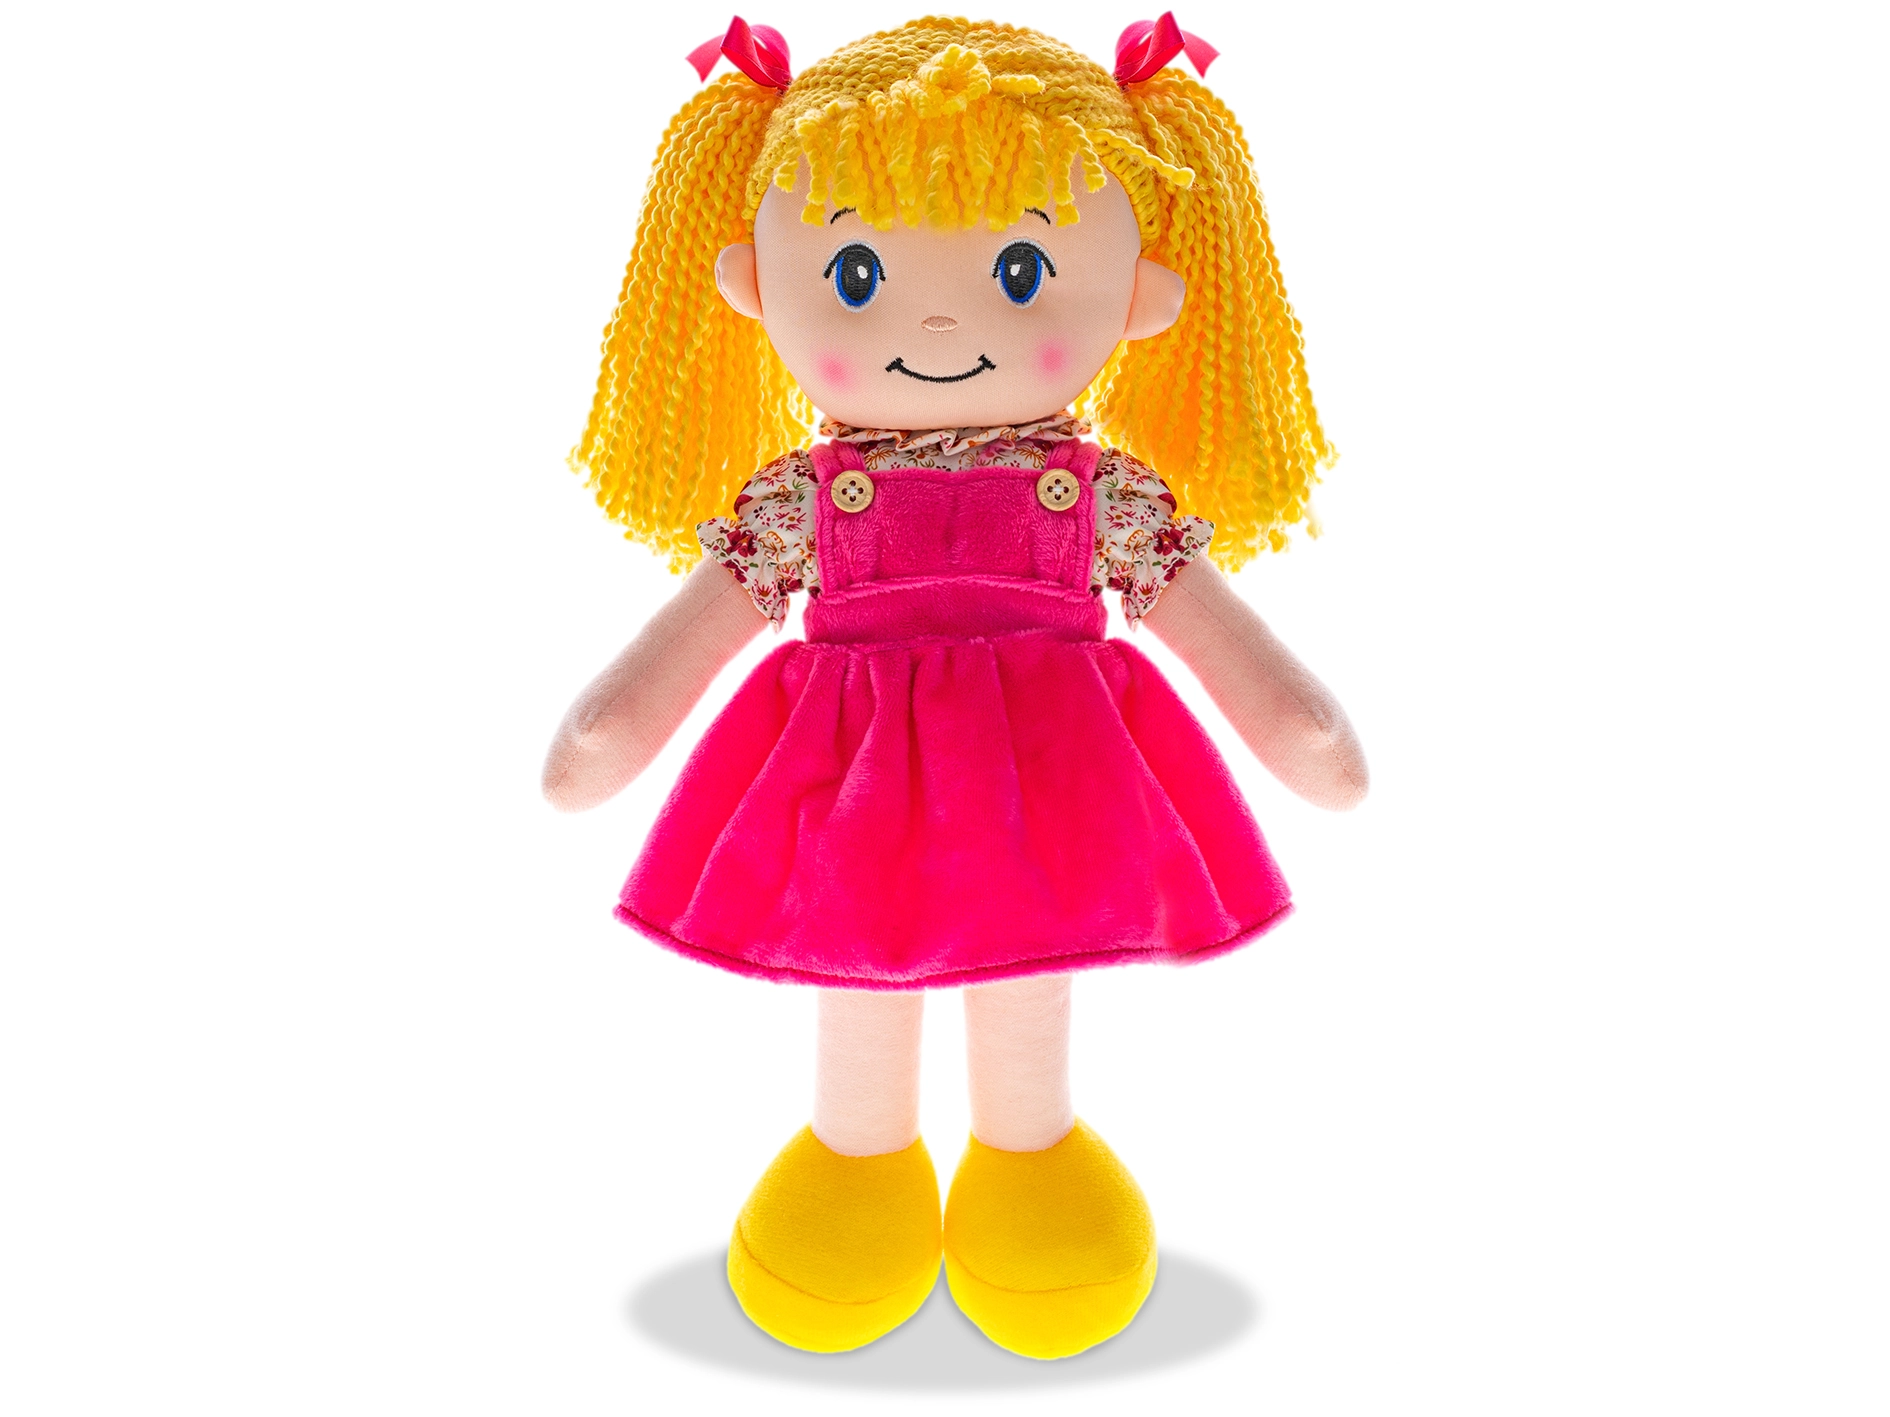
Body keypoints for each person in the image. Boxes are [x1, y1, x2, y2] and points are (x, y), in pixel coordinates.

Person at [542, 15, 1367, 1360]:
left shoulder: (1097, 498)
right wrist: (609, 729)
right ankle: (859, 1157)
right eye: (855, 272)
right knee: (865, 971)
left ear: (1142, 298)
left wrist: (1300, 727)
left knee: (1023, 979)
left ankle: (1023, 1157)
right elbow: (702, 623)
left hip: (1041, 779)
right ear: (753, 284)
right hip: (855, 777)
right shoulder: (807, 502)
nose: (934, 321)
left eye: (1022, 270)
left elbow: (1205, 620)